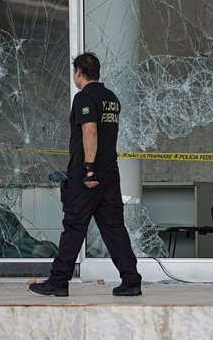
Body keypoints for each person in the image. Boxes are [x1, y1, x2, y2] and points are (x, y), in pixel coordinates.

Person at [29, 52, 142, 297]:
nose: (74, 76)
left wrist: (88, 168)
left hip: (88, 176)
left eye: (74, 71)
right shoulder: (111, 99)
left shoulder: (84, 97)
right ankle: (131, 279)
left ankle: (59, 281)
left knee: (74, 226)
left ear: (79, 71)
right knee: (114, 228)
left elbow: (90, 131)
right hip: (110, 174)